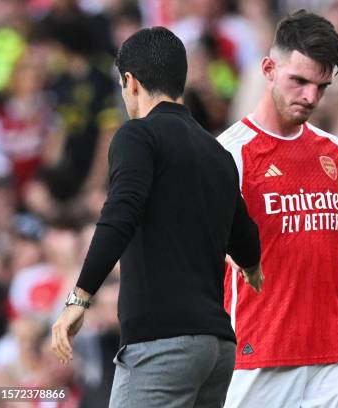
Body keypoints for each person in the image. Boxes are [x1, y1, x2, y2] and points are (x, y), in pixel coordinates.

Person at [51, 27, 262, 408]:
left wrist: (78, 300)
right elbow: (246, 238)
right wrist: (252, 267)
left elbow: (119, 215)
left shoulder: (137, 136)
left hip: (162, 345)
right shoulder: (217, 153)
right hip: (216, 349)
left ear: (130, 82)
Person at [218, 10, 338, 407]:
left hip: (334, 357)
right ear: (269, 68)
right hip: (258, 357)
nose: (310, 97)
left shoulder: (332, 151)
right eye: (299, 81)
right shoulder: (229, 153)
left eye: (321, 87)